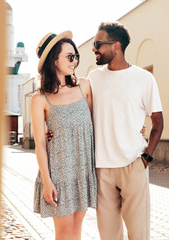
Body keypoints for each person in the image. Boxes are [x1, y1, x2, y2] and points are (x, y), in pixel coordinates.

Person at [88, 22, 164, 240]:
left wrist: (146, 157)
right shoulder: (94, 78)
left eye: (98, 44)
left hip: (133, 164)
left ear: (116, 46)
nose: (94, 49)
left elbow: (158, 122)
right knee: (108, 235)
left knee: (139, 234)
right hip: (102, 168)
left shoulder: (144, 78)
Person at [31, 31, 97, 240]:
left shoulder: (84, 86)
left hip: (83, 170)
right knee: (64, 233)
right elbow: (40, 143)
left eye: (76, 55)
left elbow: (98, 124)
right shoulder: (40, 98)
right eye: (69, 57)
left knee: (76, 231)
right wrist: (48, 181)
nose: (75, 61)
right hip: (59, 173)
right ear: (54, 60)